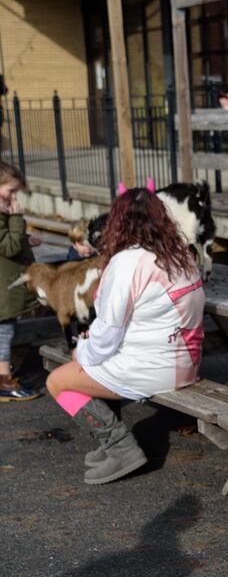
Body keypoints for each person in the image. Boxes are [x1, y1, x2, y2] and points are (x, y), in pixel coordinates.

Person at [46, 187, 205, 485]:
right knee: (86, 359)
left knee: (58, 381)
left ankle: (118, 446)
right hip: (186, 363)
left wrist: (81, 351)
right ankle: (111, 443)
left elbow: (107, 336)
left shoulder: (127, 262)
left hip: (151, 368)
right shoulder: (180, 254)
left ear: (116, 222)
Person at [0, 160, 39, 401]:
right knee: (4, 333)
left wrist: (25, 237)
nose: (14, 197)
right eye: (10, 191)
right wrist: (17, 219)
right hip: (3, 292)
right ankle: (4, 382)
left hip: (6, 288)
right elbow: (10, 246)